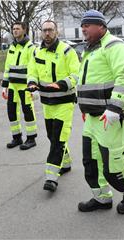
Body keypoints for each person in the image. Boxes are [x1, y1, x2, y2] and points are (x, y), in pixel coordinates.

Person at [76, 10, 124, 214]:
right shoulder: (90, 49)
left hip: (109, 117)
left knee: (114, 168)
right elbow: (87, 81)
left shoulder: (114, 45)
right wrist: (84, 106)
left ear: (101, 26)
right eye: (82, 25)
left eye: (87, 25)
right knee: (91, 163)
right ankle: (102, 198)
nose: (83, 28)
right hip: (92, 118)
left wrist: (115, 107)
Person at [27, 20, 80, 192]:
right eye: (44, 30)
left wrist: (62, 84)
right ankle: (65, 163)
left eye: (50, 30)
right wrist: (32, 83)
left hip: (64, 102)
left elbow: (76, 74)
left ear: (57, 31)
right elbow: (32, 71)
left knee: (58, 139)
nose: (47, 33)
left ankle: (51, 177)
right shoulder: (37, 52)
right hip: (47, 103)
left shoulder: (67, 50)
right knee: (52, 136)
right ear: (41, 33)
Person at [2, 21, 38, 150]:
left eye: (17, 29)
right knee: (11, 111)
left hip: (25, 86)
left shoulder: (30, 47)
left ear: (24, 30)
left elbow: (34, 68)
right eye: (13, 29)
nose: (15, 31)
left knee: (27, 110)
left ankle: (31, 138)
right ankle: (16, 137)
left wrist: (33, 86)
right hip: (12, 86)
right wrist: (4, 85)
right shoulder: (12, 47)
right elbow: (7, 67)